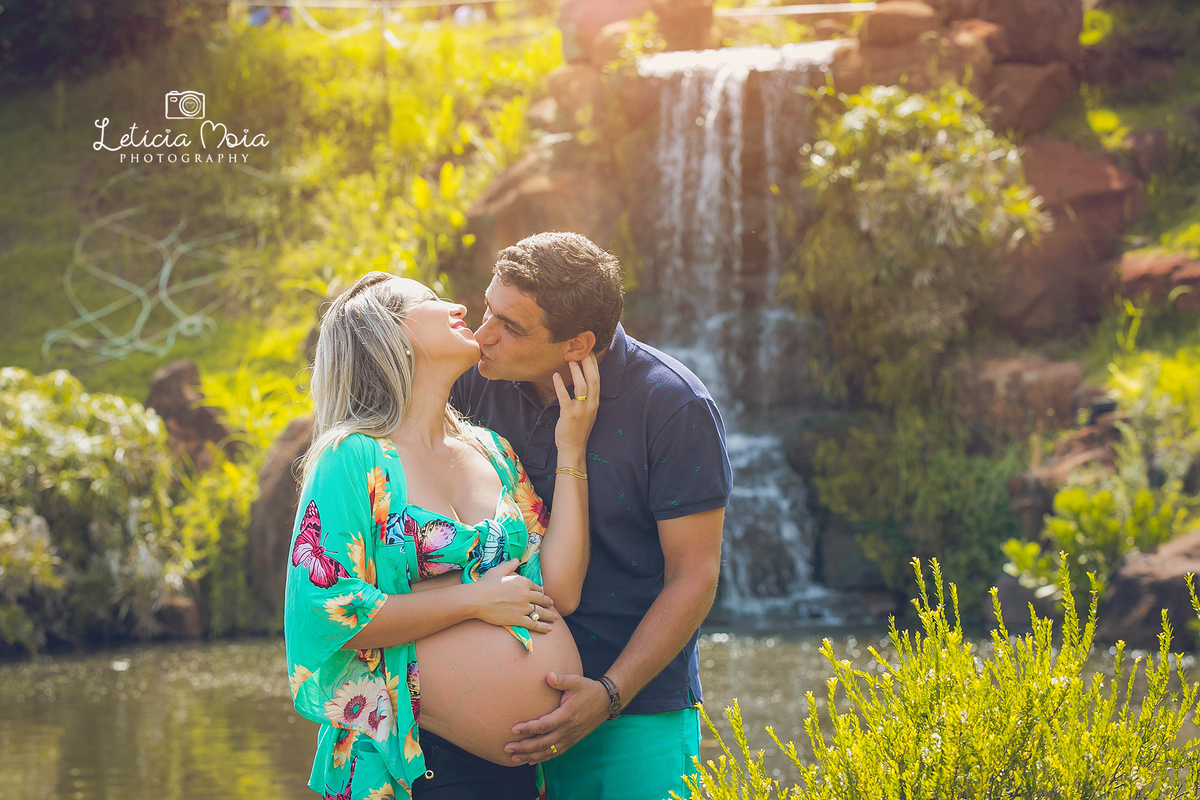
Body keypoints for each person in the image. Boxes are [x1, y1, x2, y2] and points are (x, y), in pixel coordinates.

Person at [284, 271, 600, 800]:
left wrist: (572, 449)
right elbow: (327, 610)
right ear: (390, 332)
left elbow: (560, 591)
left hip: (518, 774)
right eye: (429, 300)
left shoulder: (491, 451)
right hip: (412, 763)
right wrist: (474, 600)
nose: (458, 305)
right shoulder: (352, 457)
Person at [450, 232, 732, 800]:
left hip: (631, 715)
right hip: (484, 723)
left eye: (511, 326)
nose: (483, 336)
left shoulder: (674, 406)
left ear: (577, 344)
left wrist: (608, 694)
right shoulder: (469, 381)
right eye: (487, 310)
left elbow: (694, 576)